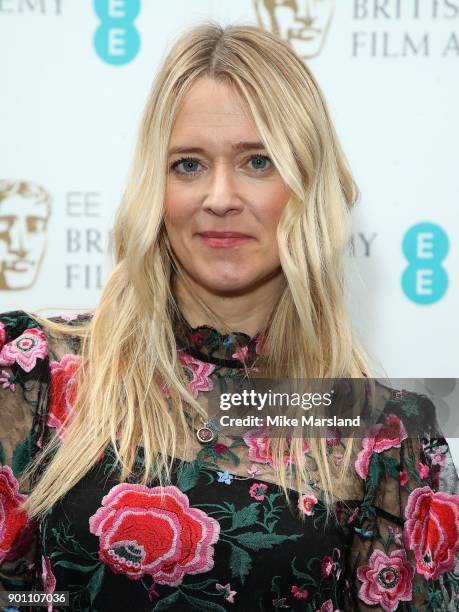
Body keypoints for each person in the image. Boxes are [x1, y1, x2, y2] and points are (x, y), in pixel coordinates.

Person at [0, 21, 458, 612]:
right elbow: (16, 598)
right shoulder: (35, 372)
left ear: (307, 186)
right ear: (155, 188)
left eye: (258, 162)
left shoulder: (381, 433)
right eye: (188, 164)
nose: (219, 195)